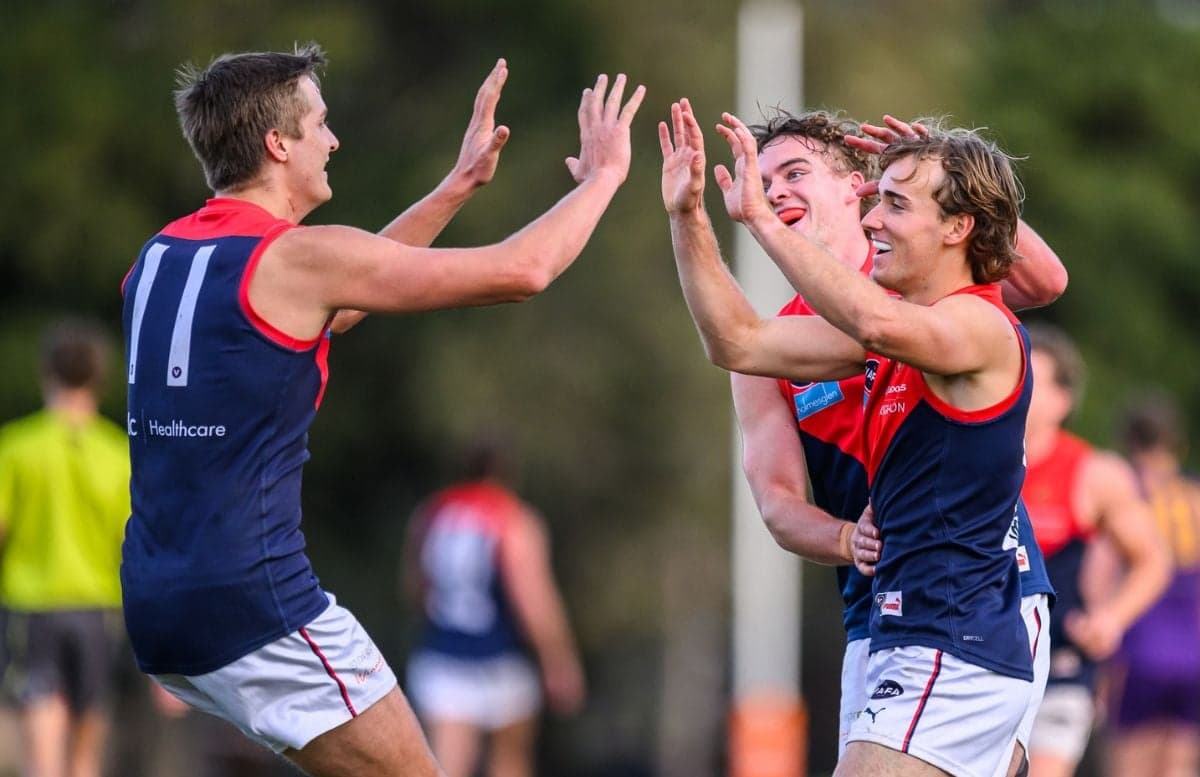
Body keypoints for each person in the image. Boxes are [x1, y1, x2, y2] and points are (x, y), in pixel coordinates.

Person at [120, 43, 643, 777]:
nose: (333, 140)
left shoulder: (158, 257)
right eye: (320, 124)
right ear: (278, 144)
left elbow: (337, 302)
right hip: (256, 604)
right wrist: (605, 177)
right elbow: (523, 270)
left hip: (157, 605)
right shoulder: (299, 257)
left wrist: (457, 187)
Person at [662, 101, 1040, 777]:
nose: (873, 219)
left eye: (894, 204)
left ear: (957, 227)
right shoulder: (887, 328)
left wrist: (758, 218)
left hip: (955, 637)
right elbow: (738, 341)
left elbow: (877, 322)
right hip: (902, 628)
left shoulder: (973, 325)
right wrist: (687, 216)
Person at [1017, 324, 1170, 777]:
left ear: (1063, 400)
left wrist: (1111, 618)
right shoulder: (968, 460)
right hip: (979, 658)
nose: (1015, 389)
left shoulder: (1093, 472)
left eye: (1031, 379)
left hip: (1061, 666)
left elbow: (1153, 559)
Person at [404, 437, 585, 777]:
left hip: (444, 657)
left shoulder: (430, 514)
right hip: (502, 659)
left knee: (445, 767)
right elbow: (532, 597)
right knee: (509, 762)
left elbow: (416, 588)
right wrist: (558, 659)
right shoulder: (512, 517)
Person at [0, 319, 131, 777]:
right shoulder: (118, 454)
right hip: (98, 612)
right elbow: (130, 545)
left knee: (43, 758)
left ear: (46, 372)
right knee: (85, 758)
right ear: (100, 378)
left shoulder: (17, 447)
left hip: (33, 609)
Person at [1103, 392, 1200, 777]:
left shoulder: (1126, 498)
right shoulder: (1194, 497)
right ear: (1176, 441)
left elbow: (1101, 579)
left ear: (1128, 441)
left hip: (1138, 653)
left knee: (1128, 765)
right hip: (1192, 656)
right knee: (1179, 766)